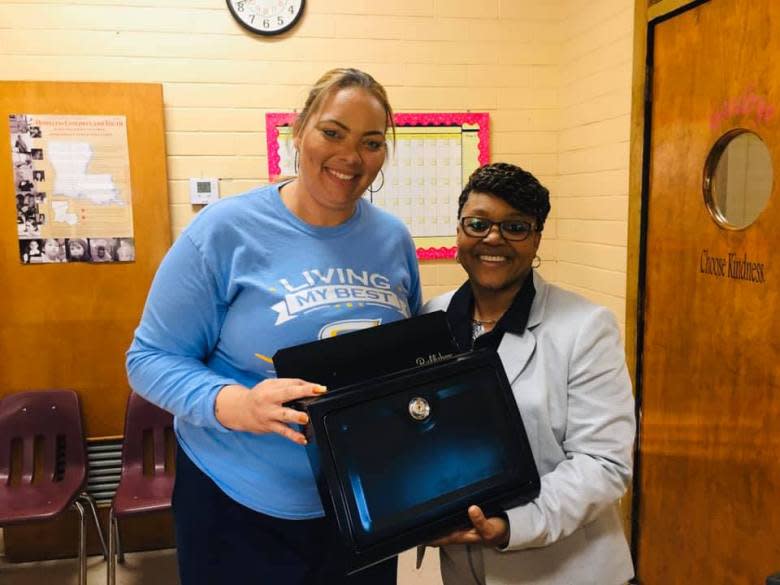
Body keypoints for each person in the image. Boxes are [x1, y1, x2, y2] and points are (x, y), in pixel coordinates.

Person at [126, 68, 421, 585]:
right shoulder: (223, 232)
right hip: (238, 507)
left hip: (364, 500)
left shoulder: (393, 239)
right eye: (333, 132)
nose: (351, 157)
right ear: (298, 130)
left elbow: (407, 359)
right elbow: (148, 359)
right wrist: (237, 404)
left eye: (371, 142)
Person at [422, 163, 635, 585]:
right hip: (463, 569)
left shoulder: (586, 327)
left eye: (515, 227)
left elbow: (604, 463)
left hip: (564, 568)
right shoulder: (433, 318)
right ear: (459, 232)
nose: (493, 238)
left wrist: (511, 524)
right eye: (478, 223)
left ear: (536, 238)